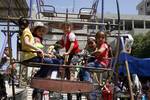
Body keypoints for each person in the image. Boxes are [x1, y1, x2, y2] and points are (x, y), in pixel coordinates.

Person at [18, 18, 60, 99]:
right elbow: (30, 45)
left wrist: (47, 54)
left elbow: (39, 51)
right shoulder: (31, 36)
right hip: (30, 56)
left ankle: (44, 78)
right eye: (39, 30)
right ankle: (41, 78)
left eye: (42, 31)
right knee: (51, 62)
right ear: (35, 31)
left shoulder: (38, 39)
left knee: (55, 62)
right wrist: (41, 51)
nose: (41, 33)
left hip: (33, 55)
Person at [59, 21, 80, 100]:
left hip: (74, 53)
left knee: (71, 67)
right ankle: (68, 80)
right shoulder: (64, 36)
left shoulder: (71, 35)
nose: (66, 29)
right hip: (69, 54)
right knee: (67, 67)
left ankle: (71, 80)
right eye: (64, 28)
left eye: (67, 27)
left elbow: (72, 44)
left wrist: (68, 52)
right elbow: (62, 44)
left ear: (70, 28)